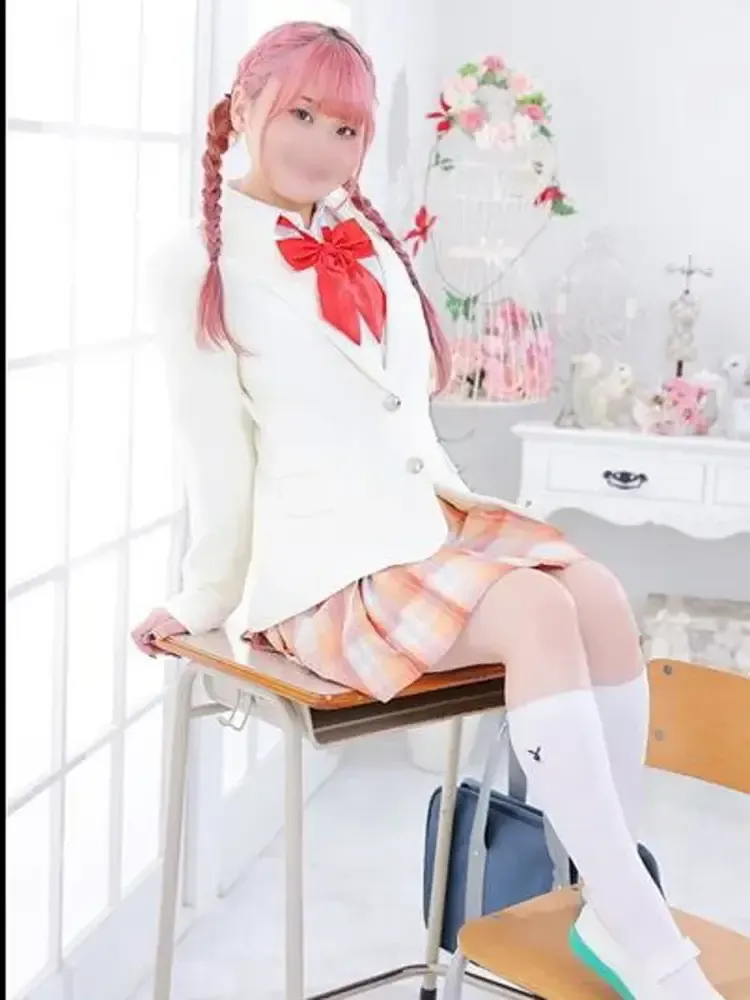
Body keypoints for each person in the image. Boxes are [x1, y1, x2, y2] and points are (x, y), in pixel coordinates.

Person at [131, 22, 723, 1000]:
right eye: (302, 114)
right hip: (326, 574)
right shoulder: (195, 262)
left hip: (423, 528)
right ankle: (644, 936)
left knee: (601, 596)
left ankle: (609, 899)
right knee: (538, 610)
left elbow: (399, 415)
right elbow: (214, 454)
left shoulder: (362, 238)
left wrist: (455, 529)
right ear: (243, 107)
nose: (323, 146)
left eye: (347, 129)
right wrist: (203, 599)